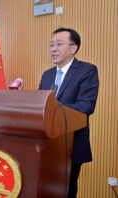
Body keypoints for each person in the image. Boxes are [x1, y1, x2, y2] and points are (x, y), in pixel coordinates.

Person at [39, 27, 99, 198]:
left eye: (58, 44)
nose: (53, 49)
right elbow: (39, 104)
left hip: (71, 144)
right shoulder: (47, 75)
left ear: (74, 48)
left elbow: (86, 106)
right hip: (46, 144)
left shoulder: (87, 71)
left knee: (66, 191)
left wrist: (54, 113)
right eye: (51, 45)